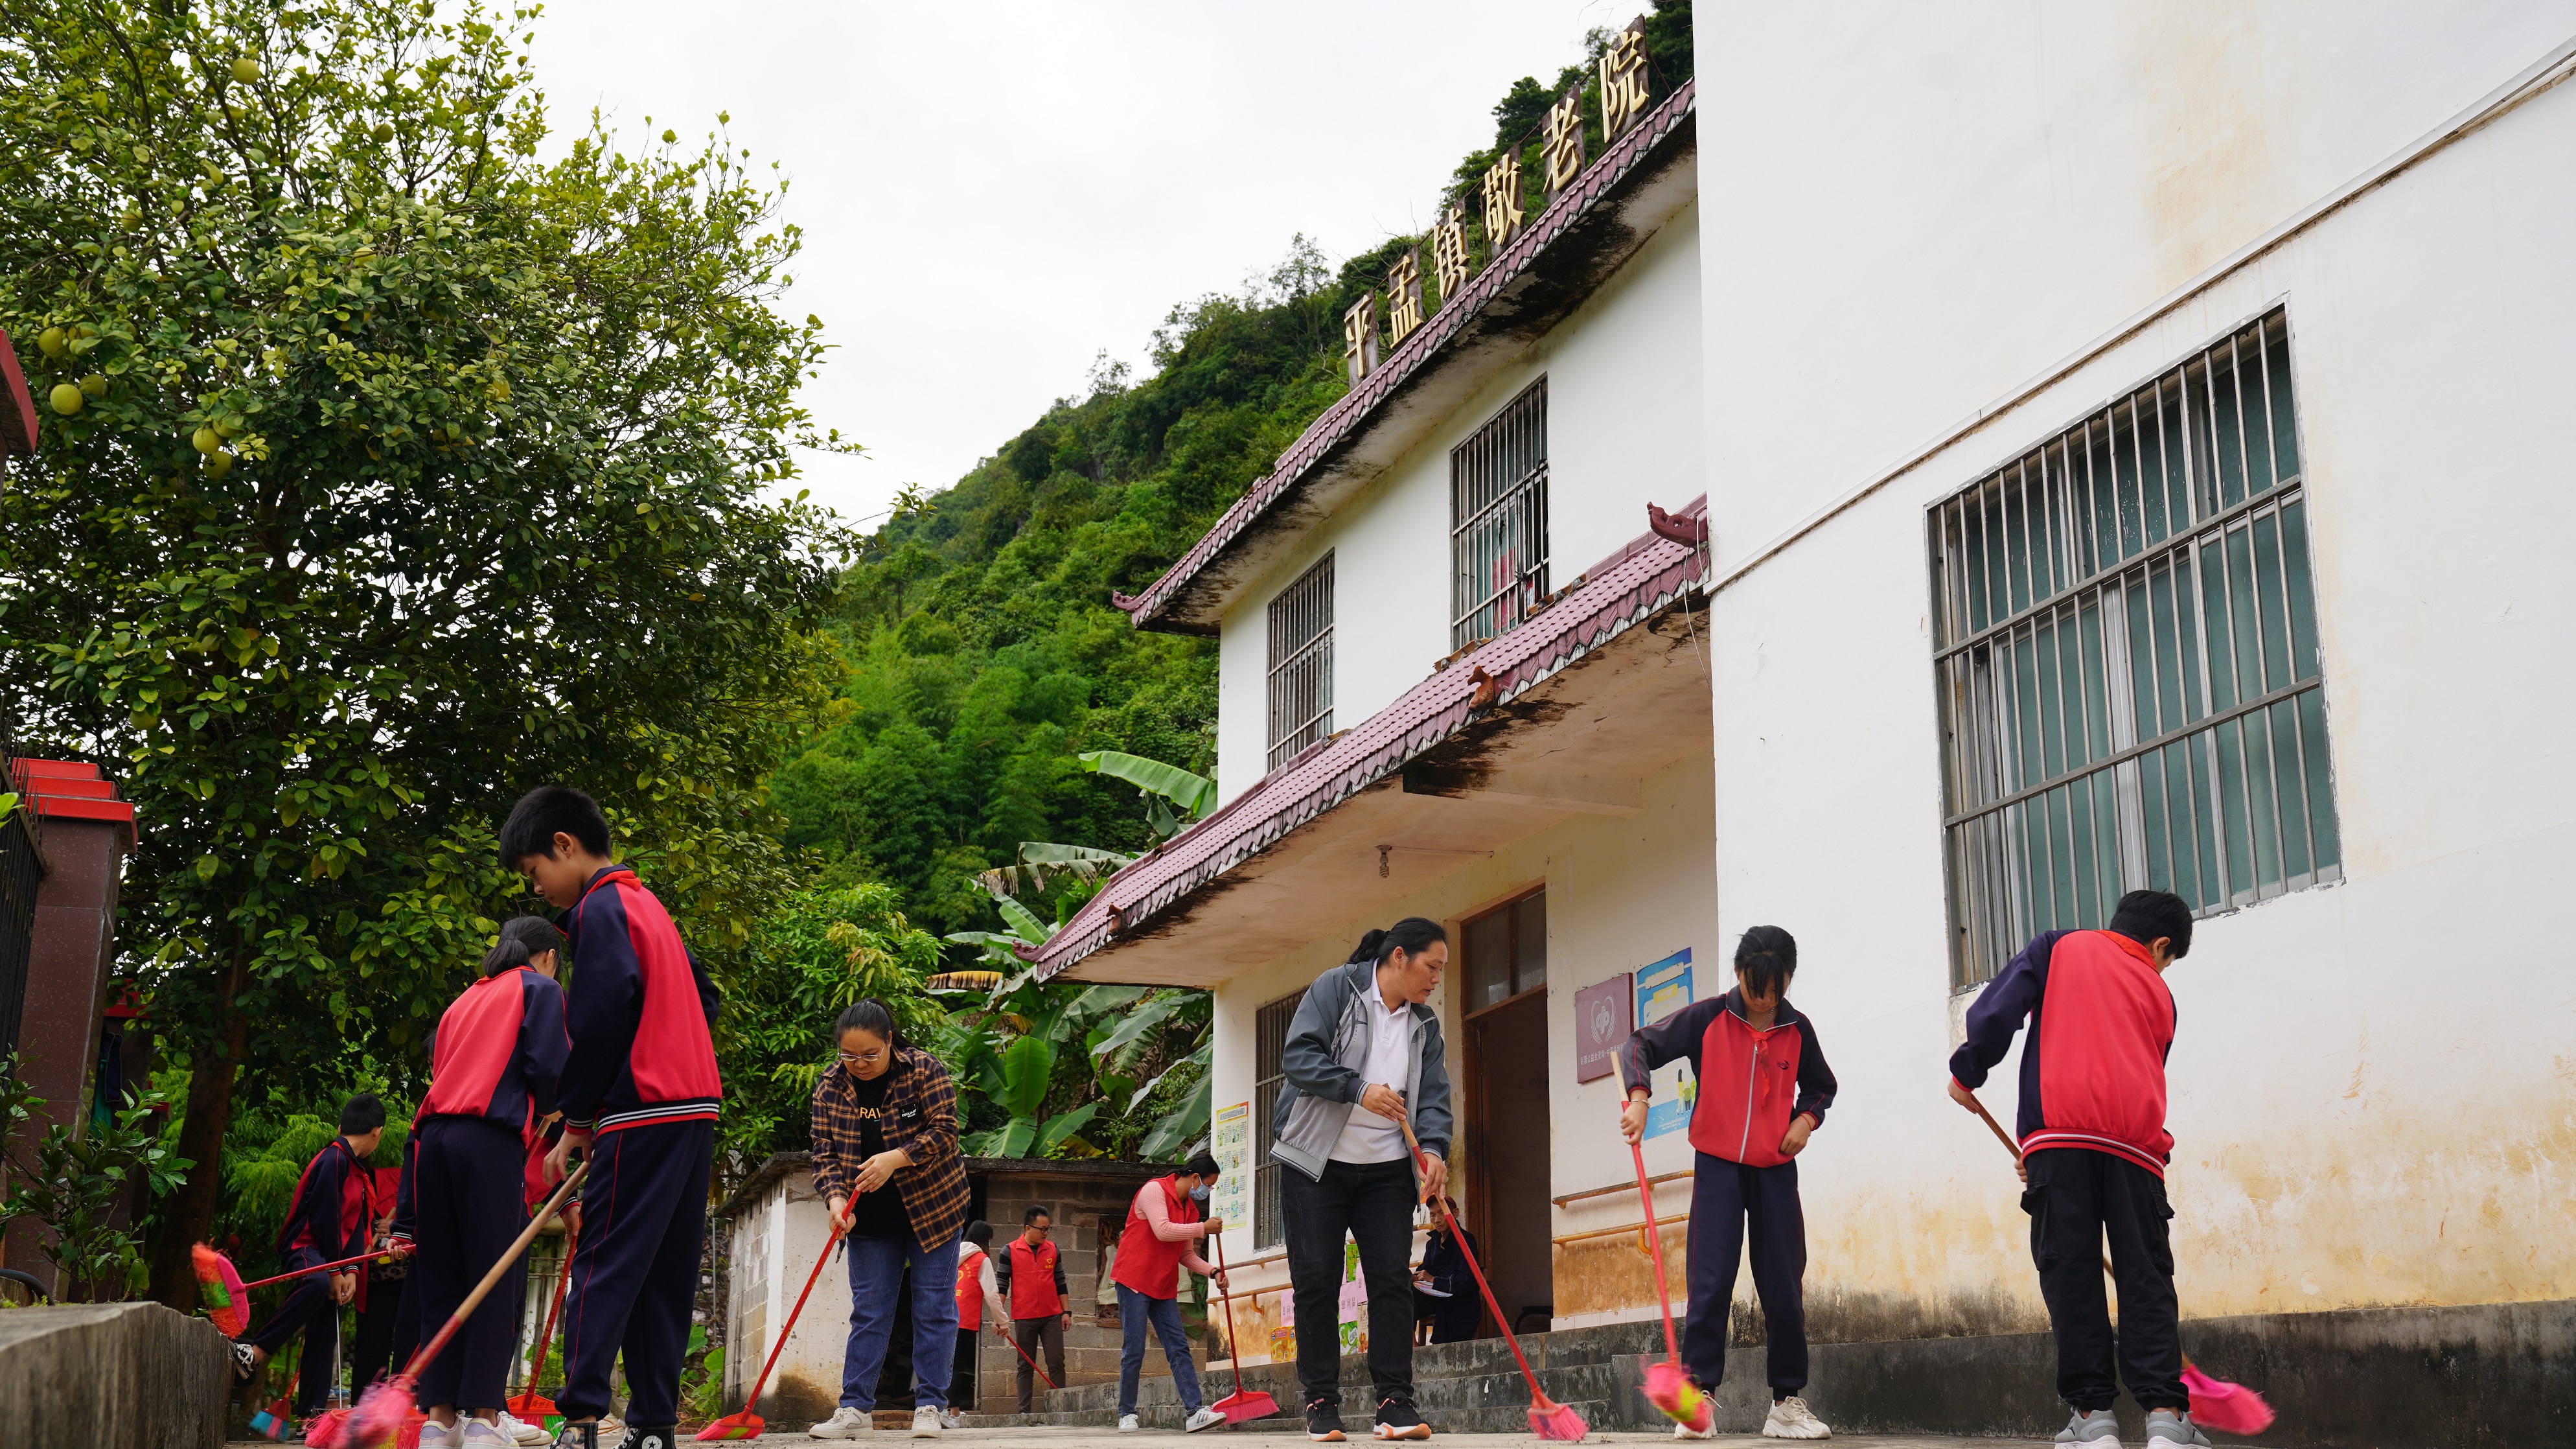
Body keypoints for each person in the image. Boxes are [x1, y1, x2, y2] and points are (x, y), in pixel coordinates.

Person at [1947, 890, 2209, 1449]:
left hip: (2059, 1142)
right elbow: (2142, 1074)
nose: (2163, 967)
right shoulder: (2161, 996)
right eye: (2169, 957)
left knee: (2072, 1275)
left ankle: (2094, 1420)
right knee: (2146, 1277)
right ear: (2161, 945)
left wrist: (1968, 1071)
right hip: (2138, 1154)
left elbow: (1996, 1011)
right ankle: (2166, 1418)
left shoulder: (2058, 947)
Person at [507, 786, 723, 1449]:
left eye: (534, 871)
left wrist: (576, 1120)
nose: (537, 888)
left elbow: (599, 1018)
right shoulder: (647, 905)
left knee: (602, 1261)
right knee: (662, 1271)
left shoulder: (601, 908)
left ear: (564, 847)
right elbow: (704, 996)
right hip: (694, 1108)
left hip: (643, 1111)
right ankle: (654, 1427)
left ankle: (579, 1419)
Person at [1619, 925, 1836, 1441]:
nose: (1764, 1002)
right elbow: (1639, 1045)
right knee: (1711, 1282)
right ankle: (1698, 1400)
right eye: (1755, 989)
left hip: (1776, 1170)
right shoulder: (1708, 1017)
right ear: (1738, 975)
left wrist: (1805, 1121)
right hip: (1717, 1166)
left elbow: (1822, 1086)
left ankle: (1785, 1403)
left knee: (1783, 1285)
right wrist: (1639, 1099)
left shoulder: (1798, 1028)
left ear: (1788, 982)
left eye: (1774, 992)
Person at [1273, 918, 1453, 1443]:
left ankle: (1396, 1403)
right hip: (1316, 1165)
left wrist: (1436, 1151)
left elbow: (1436, 1098)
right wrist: (1357, 1089)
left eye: (1442, 971)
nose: (1436, 979)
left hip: (1386, 1172)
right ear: (1400, 957)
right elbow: (1299, 1057)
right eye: (1432, 967)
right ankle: (1322, 1403)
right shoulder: (1336, 988)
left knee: (1393, 1282)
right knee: (1316, 1283)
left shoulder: (1424, 1026)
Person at [410, 918, 570, 1449]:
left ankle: (439, 1421)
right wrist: (562, 1112)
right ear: (548, 956)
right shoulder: (540, 989)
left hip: (431, 1140)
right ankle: (483, 1418)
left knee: (443, 1280)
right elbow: (549, 1069)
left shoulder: (463, 1000)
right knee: (496, 1273)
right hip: (488, 1139)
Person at [805, 999, 971, 1441]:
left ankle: (931, 1406)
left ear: (890, 1043)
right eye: (849, 1055)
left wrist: (896, 1159)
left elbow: (945, 1130)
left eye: (869, 1055)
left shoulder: (922, 1070)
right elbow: (823, 1153)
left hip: (934, 1209)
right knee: (870, 1313)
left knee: (934, 1308)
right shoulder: (829, 1087)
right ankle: (855, 1408)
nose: (858, 1064)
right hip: (869, 1219)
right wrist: (836, 1200)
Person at [235, 1094, 388, 1427]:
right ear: (378, 1132)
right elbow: (325, 1220)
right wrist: (334, 1270)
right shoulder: (334, 1160)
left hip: (329, 1257)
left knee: (326, 1320)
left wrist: (350, 1273)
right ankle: (255, 1352)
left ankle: (312, 1416)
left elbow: (354, 1230)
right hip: (305, 1248)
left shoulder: (357, 1171)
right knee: (318, 1283)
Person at [1109, 1152, 1230, 1433]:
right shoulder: (1155, 1190)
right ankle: (1126, 1412)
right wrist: (1204, 1228)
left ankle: (1195, 1411)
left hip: (1163, 1286)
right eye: (1208, 1186)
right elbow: (1163, 1231)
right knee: (1134, 1349)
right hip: (1134, 1281)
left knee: (1179, 1347)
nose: (1207, 1192)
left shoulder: (1189, 1209)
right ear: (1195, 1177)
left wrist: (1213, 1272)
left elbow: (1186, 1254)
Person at [993, 1205, 1070, 1413]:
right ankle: (1024, 1413)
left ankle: (1059, 1411)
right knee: (1025, 1366)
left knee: (1056, 1362)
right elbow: (1002, 1286)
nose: (1046, 1233)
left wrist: (1066, 1312)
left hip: (1052, 1316)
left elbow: (1060, 1282)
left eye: (1048, 1229)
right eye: (1042, 1229)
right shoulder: (1009, 1251)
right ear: (1028, 1228)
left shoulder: (1053, 1250)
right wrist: (999, 1317)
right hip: (1024, 1317)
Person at [950, 1222, 1007, 1415]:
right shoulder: (981, 1260)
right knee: (957, 1365)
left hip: (943, 1316)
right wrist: (1003, 1322)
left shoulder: (950, 1254)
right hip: (964, 1318)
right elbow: (992, 1295)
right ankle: (953, 1412)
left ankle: (940, 1409)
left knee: (943, 1364)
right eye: (989, 1241)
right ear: (984, 1240)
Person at [1409, 1198, 1480, 1346]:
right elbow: (1425, 1269)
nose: (1437, 1220)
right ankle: (1412, 1343)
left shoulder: (1466, 1240)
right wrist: (1414, 1277)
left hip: (1459, 1299)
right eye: (1433, 1215)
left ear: (1455, 1213)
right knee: (1403, 1289)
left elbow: (1466, 1281)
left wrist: (1434, 1280)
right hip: (1436, 1299)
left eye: (1442, 1213)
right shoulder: (1433, 1243)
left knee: (1450, 1310)